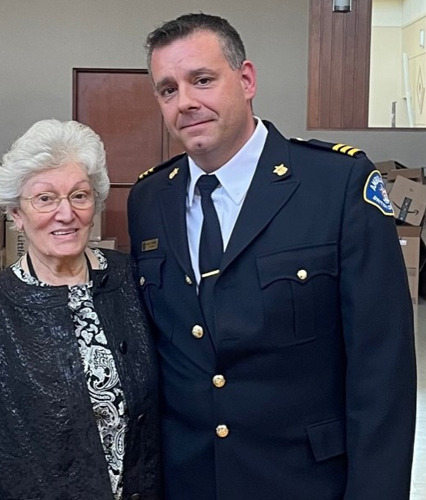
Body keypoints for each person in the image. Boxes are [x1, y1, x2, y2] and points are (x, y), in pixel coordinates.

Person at [127, 13, 417, 500]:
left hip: (303, 481)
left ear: (246, 80)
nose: (186, 102)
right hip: (189, 479)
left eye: (202, 80)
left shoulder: (336, 184)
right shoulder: (149, 200)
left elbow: (382, 370)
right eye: (168, 90)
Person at [0, 119, 161, 500]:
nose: (66, 213)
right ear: (16, 215)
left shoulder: (134, 283)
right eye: (45, 198)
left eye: (79, 195)